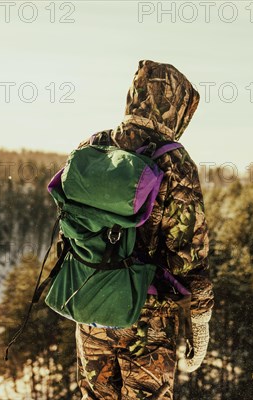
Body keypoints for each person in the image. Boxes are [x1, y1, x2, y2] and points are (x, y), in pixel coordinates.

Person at [74, 60, 214, 400]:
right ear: (175, 106)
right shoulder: (174, 162)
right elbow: (187, 255)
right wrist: (200, 320)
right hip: (148, 315)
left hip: (92, 307)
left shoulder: (93, 147)